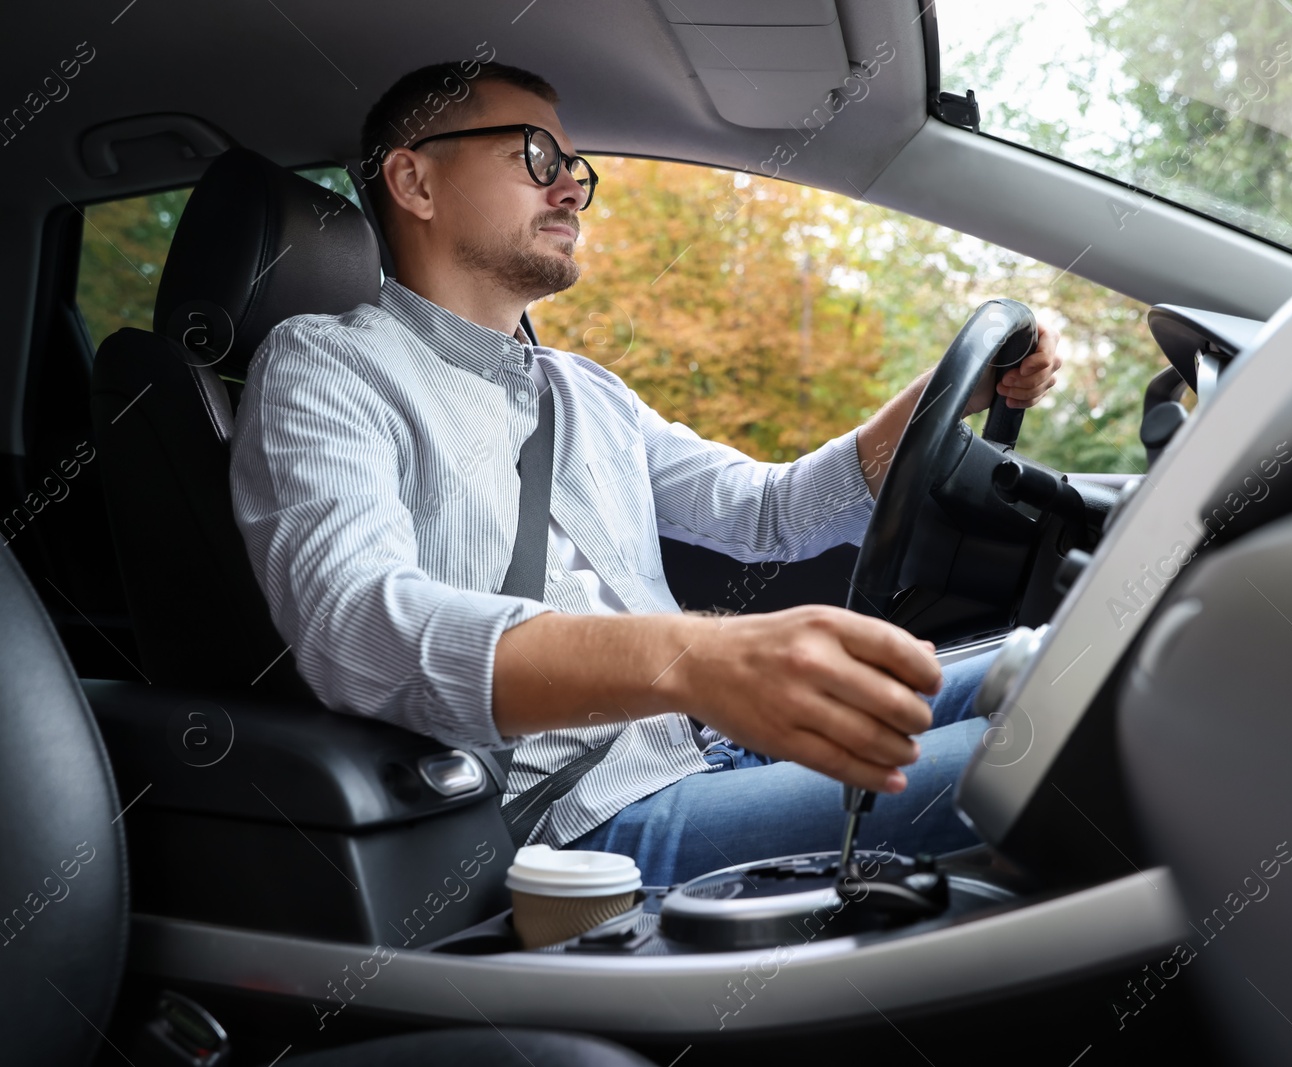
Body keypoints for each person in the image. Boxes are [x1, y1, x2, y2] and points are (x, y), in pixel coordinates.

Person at [230, 60, 1063, 887]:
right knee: (1057, 759)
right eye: (535, 157)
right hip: (585, 827)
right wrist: (698, 656)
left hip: (702, 754)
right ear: (414, 180)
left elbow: (769, 512)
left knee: (1065, 673)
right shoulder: (327, 367)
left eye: (575, 172)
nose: (570, 191)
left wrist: (948, 395)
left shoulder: (586, 390)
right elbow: (359, 628)